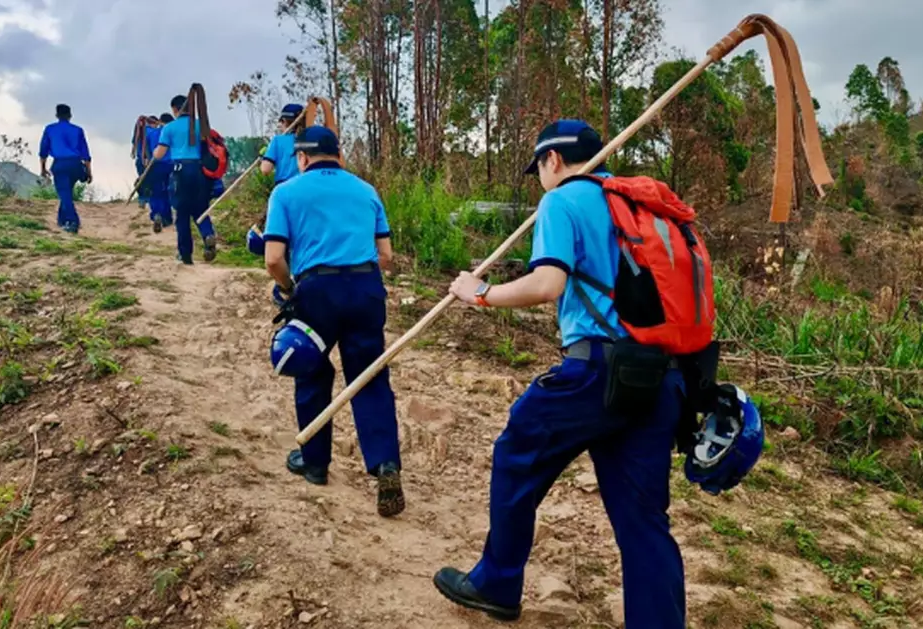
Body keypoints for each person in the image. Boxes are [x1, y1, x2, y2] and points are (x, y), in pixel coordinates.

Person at [433, 120, 688, 626]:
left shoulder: (563, 200)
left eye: (539, 169)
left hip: (596, 372)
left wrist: (477, 293)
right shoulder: (637, 204)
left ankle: (497, 583)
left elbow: (547, 283)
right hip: (660, 376)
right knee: (643, 521)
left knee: (517, 453)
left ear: (552, 161)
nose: (540, 181)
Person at [263, 125, 405, 518]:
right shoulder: (366, 190)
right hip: (365, 289)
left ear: (302, 158)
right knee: (369, 377)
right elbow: (387, 255)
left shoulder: (286, 192)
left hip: (317, 291)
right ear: (339, 157)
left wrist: (291, 288)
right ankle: (385, 464)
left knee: (311, 371)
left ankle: (314, 464)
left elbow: (273, 258)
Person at [153, 85, 218, 264]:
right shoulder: (202, 125)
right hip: (200, 172)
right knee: (200, 208)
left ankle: (185, 254)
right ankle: (207, 234)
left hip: (180, 172)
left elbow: (159, 154)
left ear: (175, 109)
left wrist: (153, 153)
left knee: (182, 213)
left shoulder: (170, 128)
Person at [38, 104, 92, 234]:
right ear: (70, 116)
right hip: (76, 164)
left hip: (60, 164)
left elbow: (43, 151)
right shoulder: (78, 130)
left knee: (64, 193)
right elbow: (86, 154)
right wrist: (89, 172)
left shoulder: (50, 129)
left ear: (57, 115)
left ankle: (72, 221)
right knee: (66, 192)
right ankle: (61, 220)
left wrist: (43, 169)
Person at [259, 103, 304, 185]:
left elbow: (265, 169)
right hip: (306, 187)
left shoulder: (278, 140)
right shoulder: (312, 139)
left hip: (284, 188)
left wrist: (264, 157)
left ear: (284, 121)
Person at [144, 114, 174, 233]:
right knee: (167, 192)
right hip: (171, 165)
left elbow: (146, 151)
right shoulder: (171, 133)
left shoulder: (151, 133)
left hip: (154, 164)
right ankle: (167, 218)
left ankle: (156, 213)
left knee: (155, 192)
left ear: (160, 121)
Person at [131, 117, 151, 209]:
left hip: (140, 160)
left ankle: (142, 200)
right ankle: (146, 199)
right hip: (148, 160)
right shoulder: (151, 131)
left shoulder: (137, 133)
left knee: (142, 180)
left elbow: (134, 144)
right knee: (148, 181)